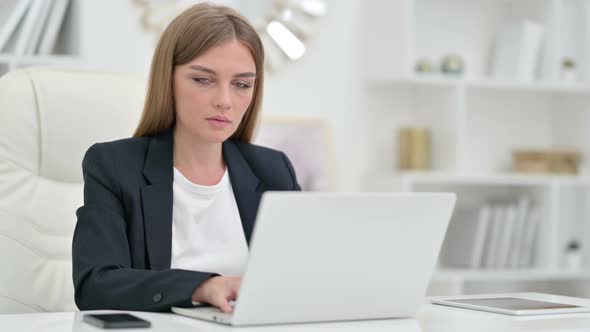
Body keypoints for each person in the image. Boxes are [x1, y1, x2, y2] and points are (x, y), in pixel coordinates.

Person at [72, 3, 301, 313]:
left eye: (242, 84)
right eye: (203, 80)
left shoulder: (273, 170)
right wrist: (201, 286)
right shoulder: (113, 165)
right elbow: (95, 285)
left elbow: (300, 278)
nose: (224, 101)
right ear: (168, 80)